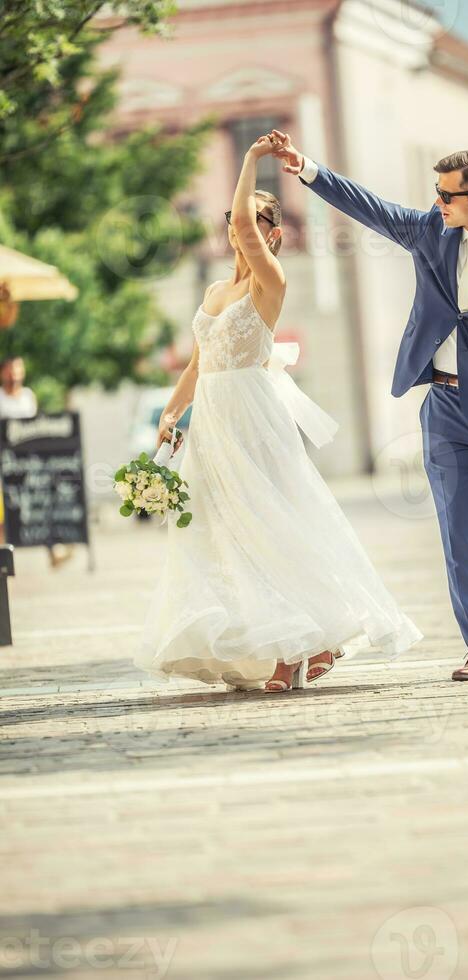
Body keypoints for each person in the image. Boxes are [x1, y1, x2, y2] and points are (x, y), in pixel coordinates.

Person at [270, 132, 468, 679]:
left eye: (447, 195)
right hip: (444, 407)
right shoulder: (430, 231)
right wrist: (308, 170)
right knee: (459, 534)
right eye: (437, 193)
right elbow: (371, 208)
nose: (437, 202)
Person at [133, 134, 422, 693]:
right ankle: (292, 640)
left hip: (251, 416)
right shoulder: (218, 289)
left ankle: (296, 650)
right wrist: (170, 416)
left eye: (255, 221)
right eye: (236, 223)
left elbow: (243, 224)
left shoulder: (271, 282)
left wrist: (250, 159)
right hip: (212, 420)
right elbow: (197, 363)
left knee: (270, 523)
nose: (239, 230)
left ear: (273, 233)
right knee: (222, 533)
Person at [0, 356, 73, 568]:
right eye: (10, 370)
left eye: (17, 370)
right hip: (4, 464)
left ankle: (52, 550)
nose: (14, 375)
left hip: (27, 465)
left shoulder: (28, 397)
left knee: (37, 505)